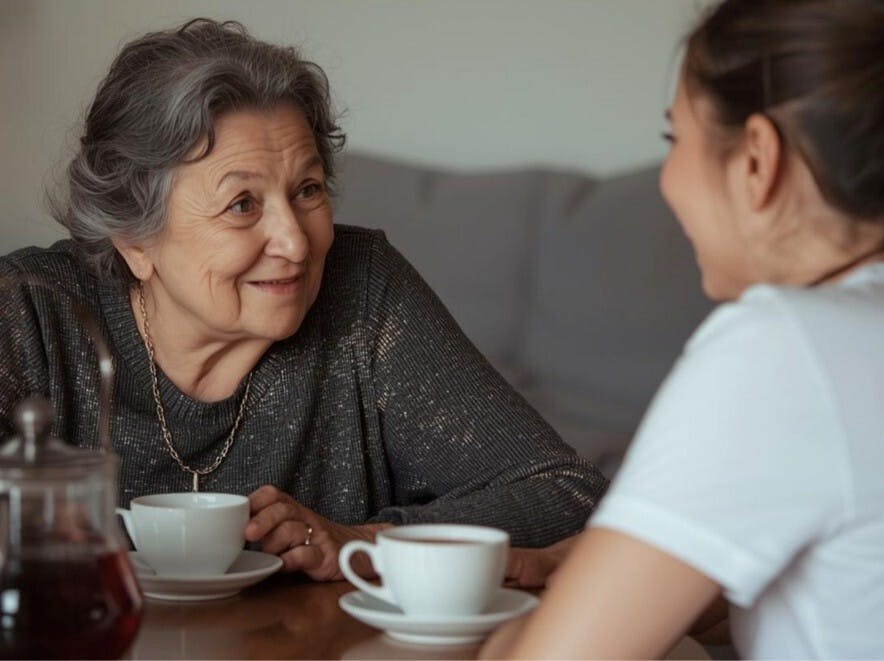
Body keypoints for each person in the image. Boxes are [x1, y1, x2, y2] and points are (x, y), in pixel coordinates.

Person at [0, 18, 607, 582]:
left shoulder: (361, 288)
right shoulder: (30, 314)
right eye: (242, 204)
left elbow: (565, 495)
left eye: (308, 189)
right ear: (135, 239)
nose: (296, 242)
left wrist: (364, 542)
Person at [483, 0, 884, 657]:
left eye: (675, 139)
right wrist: (616, 565)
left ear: (756, 158)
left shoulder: (782, 347)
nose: (667, 176)